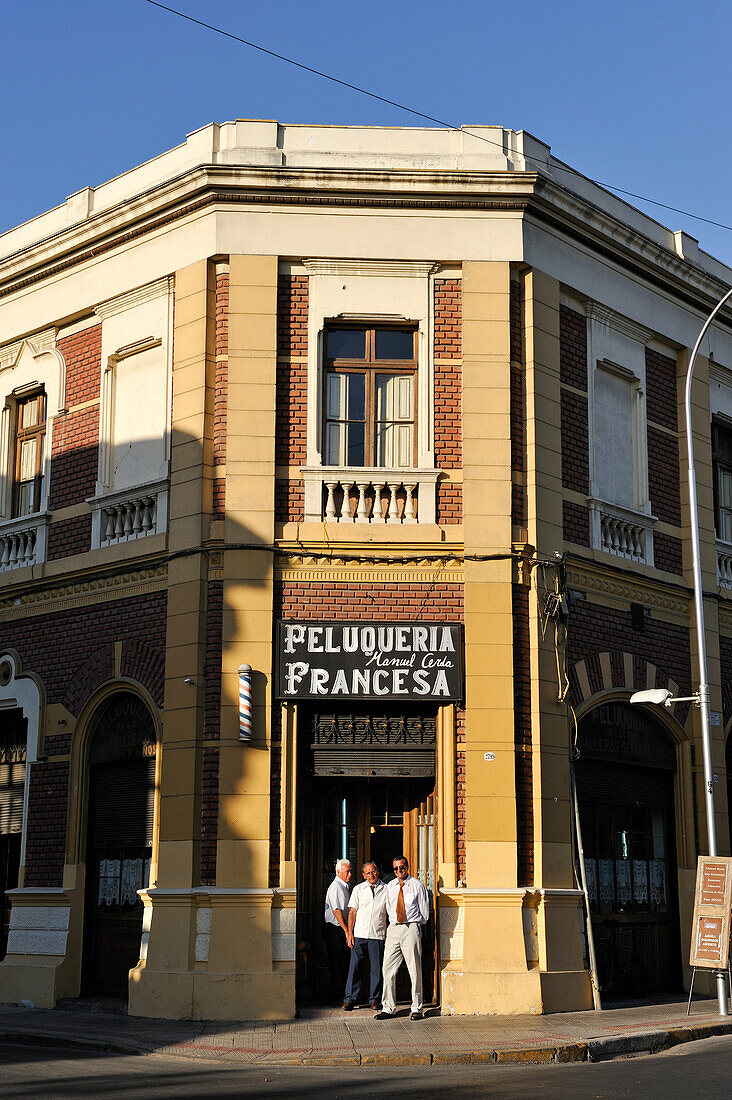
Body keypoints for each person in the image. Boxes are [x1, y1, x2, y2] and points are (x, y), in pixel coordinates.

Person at [375, 855, 430, 1020]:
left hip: (410, 928)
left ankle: (417, 1008)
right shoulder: (390, 886)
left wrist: (414, 926)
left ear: (407, 866)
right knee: (388, 969)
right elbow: (387, 909)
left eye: (402, 867)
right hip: (393, 929)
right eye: (396, 868)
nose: (399, 871)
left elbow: (425, 912)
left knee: (414, 969)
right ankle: (388, 1007)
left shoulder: (417, 886)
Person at [343, 861, 387, 1010]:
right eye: (368, 873)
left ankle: (374, 999)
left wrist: (387, 933)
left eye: (373, 871)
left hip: (377, 934)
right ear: (363, 875)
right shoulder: (358, 889)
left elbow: (389, 913)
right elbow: (352, 912)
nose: (372, 875)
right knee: (354, 967)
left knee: (376, 968)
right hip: (360, 934)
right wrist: (350, 933)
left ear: (378, 871)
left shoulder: (386, 889)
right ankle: (350, 999)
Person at [324, 857, 352, 1003]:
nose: (350, 874)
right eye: (347, 872)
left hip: (341, 929)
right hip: (337, 930)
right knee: (338, 964)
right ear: (338, 872)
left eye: (350, 871)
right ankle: (338, 996)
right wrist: (347, 930)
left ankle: (343, 994)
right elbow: (336, 911)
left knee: (343, 963)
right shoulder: (336, 887)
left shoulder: (344, 886)